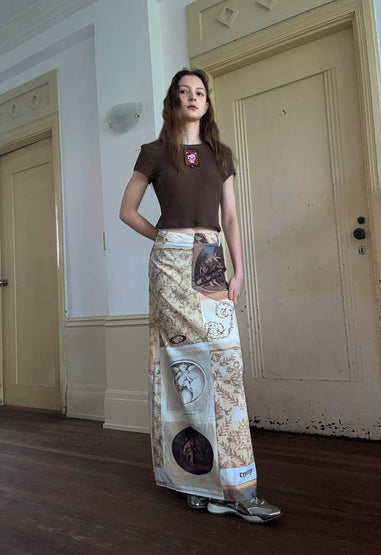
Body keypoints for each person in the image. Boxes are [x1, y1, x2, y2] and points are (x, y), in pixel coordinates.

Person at [119, 68, 282, 524]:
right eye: (184, 92)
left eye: (200, 93)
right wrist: (165, 238)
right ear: (174, 101)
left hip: (210, 258)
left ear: (207, 103)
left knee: (225, 364)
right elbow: (127, 211)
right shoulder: (153, 152)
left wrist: (238, 268)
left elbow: (229, 217)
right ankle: (197, 481)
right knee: (181, 365)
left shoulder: (220, 155)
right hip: (171, 261)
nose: (193, 98)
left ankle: (236, 487)